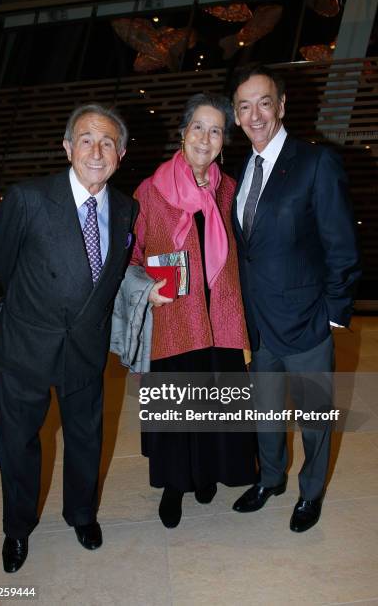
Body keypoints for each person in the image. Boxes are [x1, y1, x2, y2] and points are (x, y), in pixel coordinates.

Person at [0, 103, 138, 572]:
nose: (98, 150)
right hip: (26, 345)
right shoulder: (28, 198)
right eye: (88, 140)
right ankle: (17, 529)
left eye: (108, 142)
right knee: (18, 443)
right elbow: (3, 263)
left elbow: (110, 276)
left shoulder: (127, 207)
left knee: (86, 438)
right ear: (68, 147)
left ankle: (81, 514)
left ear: (122, 153)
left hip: (85, 347)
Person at [230, 63, 361, 532]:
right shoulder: (238, 168)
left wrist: (332, 317)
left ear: (282, 105)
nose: (256, 114)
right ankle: (270, 480)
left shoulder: (315, 162)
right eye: (245, 106)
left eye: (264, 102)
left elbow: (342, 247)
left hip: (307, 322)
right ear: (236, 114)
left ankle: (310, 493)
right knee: (265, 413)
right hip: (257, 324)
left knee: (314, 418)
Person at [131, 93, 258, 529]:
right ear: (183, 133)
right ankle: (172, 488)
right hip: (173, 318)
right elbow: (132, 257)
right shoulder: (151, 190)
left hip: (220, 316)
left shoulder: (230, 189)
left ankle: (208, 474)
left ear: (225, 141)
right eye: (198, 128)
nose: (206, 138)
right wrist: (146, 291)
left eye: (216, 130)